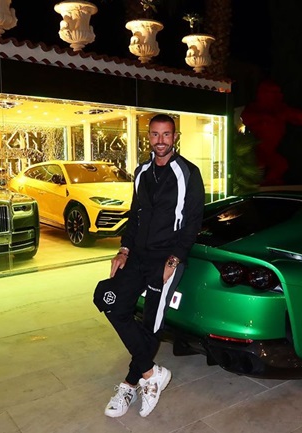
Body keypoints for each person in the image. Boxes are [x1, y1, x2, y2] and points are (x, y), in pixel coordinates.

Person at [102, 113, 205, 418]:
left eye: (166, 134)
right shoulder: (142, 172)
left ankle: (128, 385)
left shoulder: (188, 173)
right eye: (155, 134)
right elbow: (135, 213)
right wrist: (124, 249)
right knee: (111, 303)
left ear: (175, 137)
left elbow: (192, 221)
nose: (161, 140)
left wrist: (174, 260)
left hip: (165, 259)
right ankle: (151, 373)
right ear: (148, 137)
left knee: (151, 325)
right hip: (137, 256)